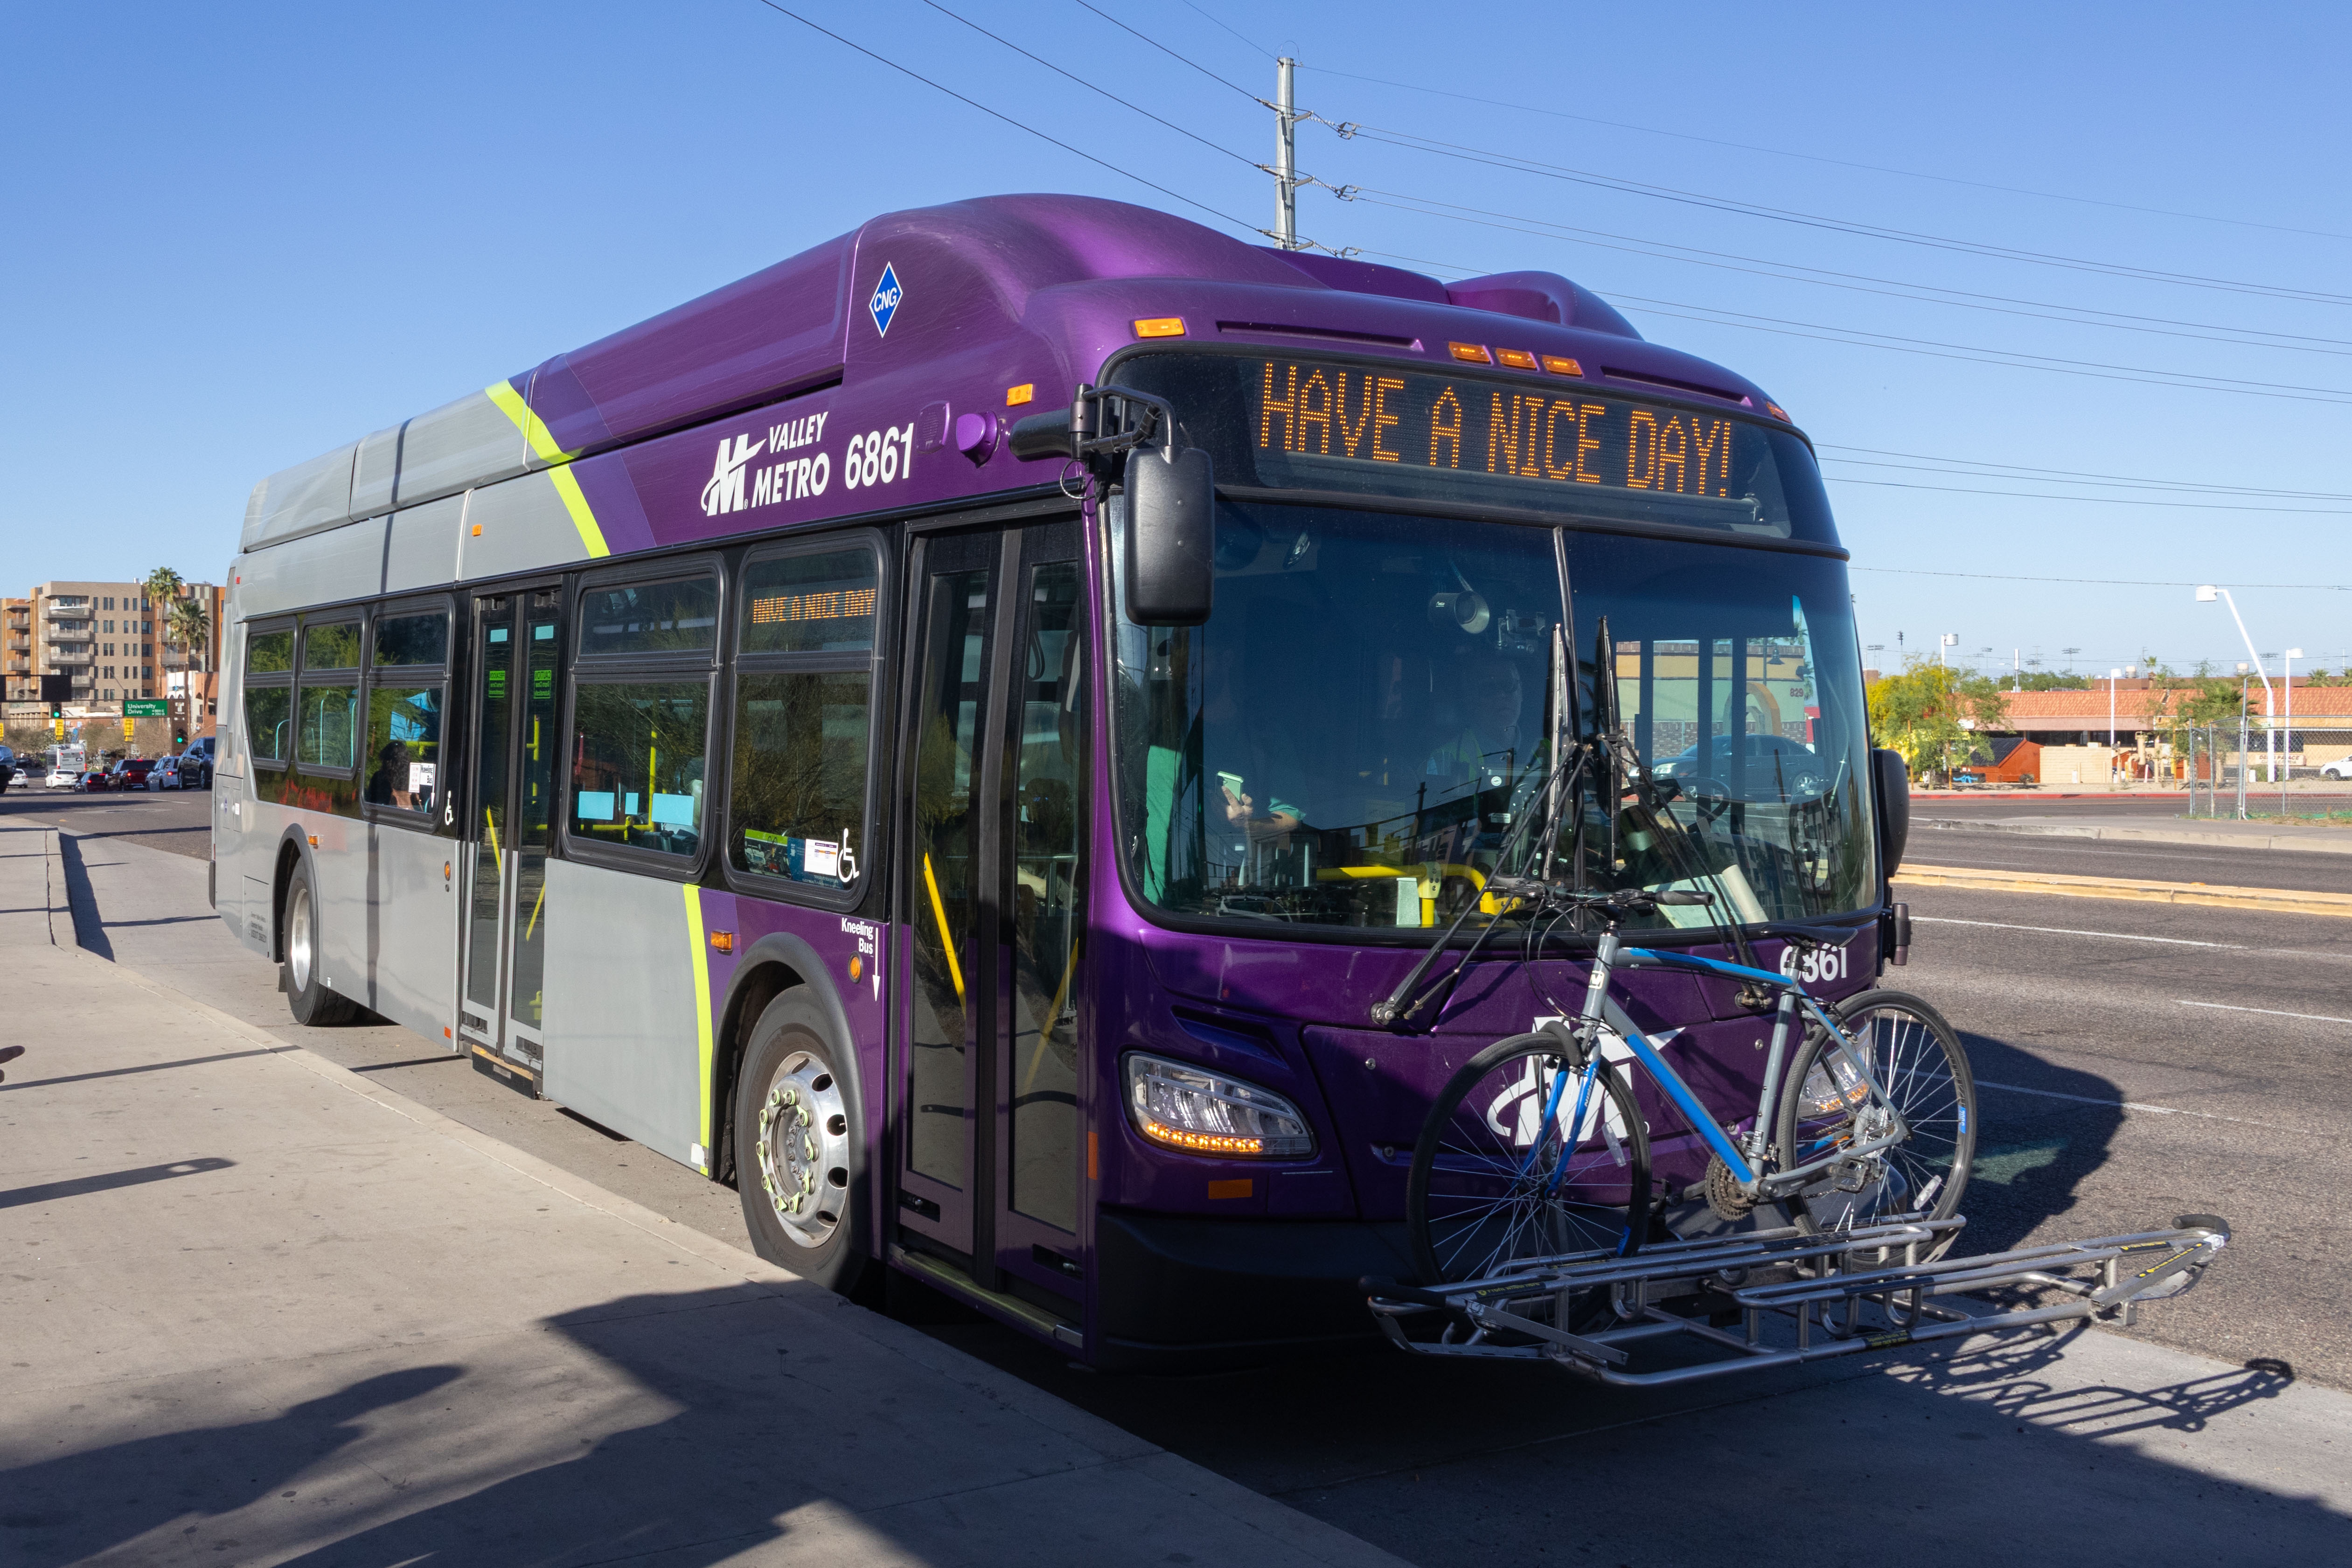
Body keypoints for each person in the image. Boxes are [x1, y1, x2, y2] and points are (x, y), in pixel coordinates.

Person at [1425, 651, 1527, 796]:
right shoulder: (1442, 760)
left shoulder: (1550, 751)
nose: (1501, 695)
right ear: (1470, 701)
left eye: (1508, 685)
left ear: (1521, 692)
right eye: (1488, 689)